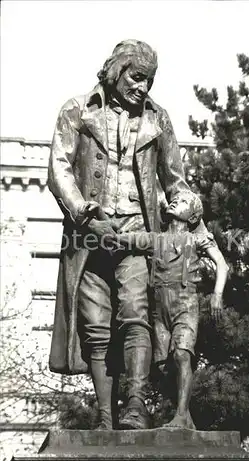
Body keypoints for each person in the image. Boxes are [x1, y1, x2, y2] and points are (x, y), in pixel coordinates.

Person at [47, 40, 196, 430]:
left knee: (135, 316)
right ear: (115, 71)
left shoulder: (157, 119)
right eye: (136, 76)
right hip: (90, 234)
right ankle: (103, 416)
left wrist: (184, 207)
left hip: (136, 235)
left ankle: (135, 405)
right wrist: (84, 215)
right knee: (95, 325)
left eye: (149, 80)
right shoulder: (77, 110)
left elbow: (176, 182)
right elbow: (59, 170)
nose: (143, 87)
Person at [114, 191, 229, 429]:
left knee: (181, 354)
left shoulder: (198, 239)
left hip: (184, 303)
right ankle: (185, 416)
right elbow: (121, 239)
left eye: (184, 201)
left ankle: (181, 415)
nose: (176, 201)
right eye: (176, 199)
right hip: (160, 309)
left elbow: (222, 264)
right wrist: (100, 229)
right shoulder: (155, 239)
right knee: (162, 366)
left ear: (194, 216)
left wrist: (217, 295)